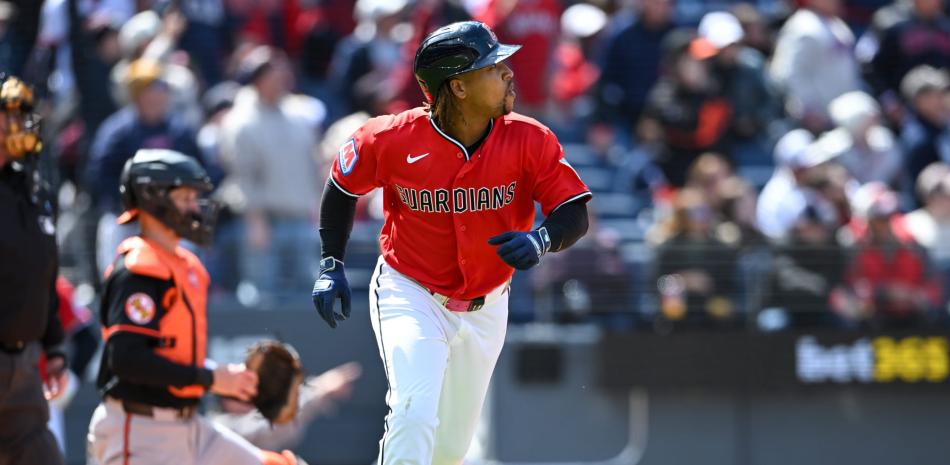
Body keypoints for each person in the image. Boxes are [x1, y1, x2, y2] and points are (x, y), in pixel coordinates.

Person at [310, 21, 591, 465]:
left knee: (450, 450)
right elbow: (341, 188)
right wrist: (331, 264)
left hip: (487, 304)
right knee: (414, 413)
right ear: (458, 86)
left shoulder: (529, 137)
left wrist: (542, 240)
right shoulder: (389, 137)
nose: (508, 72)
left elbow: (573, 211)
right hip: (412, 291)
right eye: (494, 66)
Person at [86, 149, 297, 465]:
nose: (194, 207)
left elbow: (172, 355)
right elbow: (127, 360)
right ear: (151, 198)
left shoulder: (185, 265)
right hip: (140, 429)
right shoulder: (138, 271)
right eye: (184, 197)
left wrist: (227, 377)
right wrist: (211, 380)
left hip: (188, 424)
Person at [0, 75, 68, 465]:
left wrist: (54, 344)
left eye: (22, 116)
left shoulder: (30, 187)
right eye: (8, 116)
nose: (20, 127)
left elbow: (42, 271)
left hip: (23, 369)